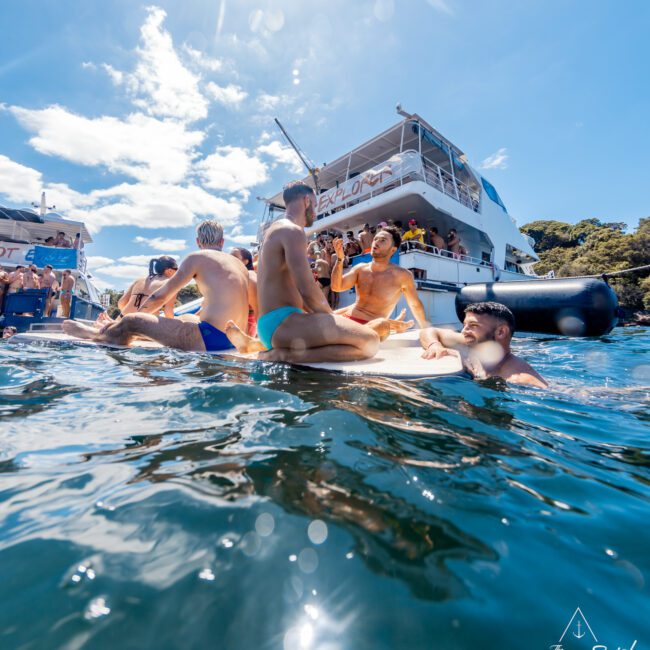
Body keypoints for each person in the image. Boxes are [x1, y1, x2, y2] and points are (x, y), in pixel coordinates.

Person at [225, 181, 410, 362]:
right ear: (306, 201)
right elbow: (308, 290)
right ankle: (279, 355)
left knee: (351, 330)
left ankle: (258, 345)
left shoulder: (275, 231)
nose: (316, 210)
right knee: (369, 341)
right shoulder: (293, 230)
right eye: (315, 205)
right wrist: (332, 320)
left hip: (273, 324)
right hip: (283, 324)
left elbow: (295, 290)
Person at [63, 221, 250, 352]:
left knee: (133, 321)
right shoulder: (238, 265)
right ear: (222, 242)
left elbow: (159, 298)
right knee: (185, 317)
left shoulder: (197, 257)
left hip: (211, 339)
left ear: (198, 242)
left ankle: (98, 333)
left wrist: (120, 320)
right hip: (234, 338)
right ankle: (125, 331)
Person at [419, 302, 548, 388]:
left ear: (501, 332)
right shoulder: (472, 341)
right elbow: (429, 331)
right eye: (464, 325)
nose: (464, 331)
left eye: (473, 326)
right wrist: (434, 345)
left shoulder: (519, 380)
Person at [332, 227, 429, 327]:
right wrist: (340, 259)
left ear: (393, 250)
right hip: (348, 319)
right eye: (375, 239)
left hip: (374, 326)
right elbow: (336, 287)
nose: (376, 242)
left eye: (382, 240)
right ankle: (395, 325)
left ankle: (394, 325)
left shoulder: (402, 275)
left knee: (382, 325)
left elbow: (415, 304)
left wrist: (425, 327)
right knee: (324, 315)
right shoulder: (360, 269)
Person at [231, 247, 258, 336]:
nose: (229, 259)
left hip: (246, 328)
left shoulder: (249, 277)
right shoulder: (240, 277)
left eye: (234, 256)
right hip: (242, 325)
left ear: (245, 261)